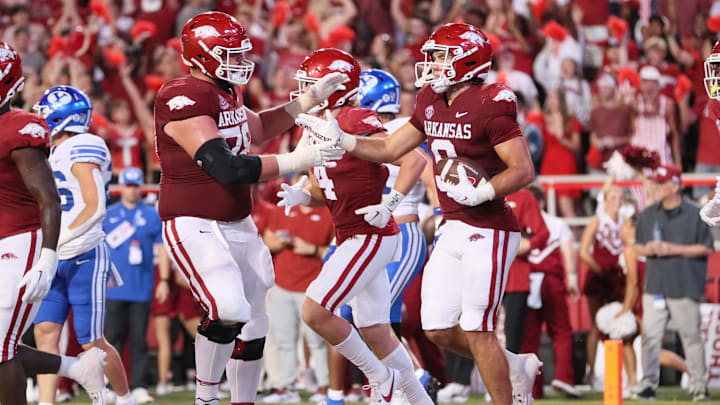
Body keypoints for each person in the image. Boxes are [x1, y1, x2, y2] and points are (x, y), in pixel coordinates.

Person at [297, 23, 542, 405]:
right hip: (450, 225)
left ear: (468, 60)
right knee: (437, 328)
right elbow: (392, 148)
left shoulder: (490, 100)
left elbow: (523, 169)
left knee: (478, 327)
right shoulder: (429, 96)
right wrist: (342, 140)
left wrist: (485, 190)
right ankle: (512, 365)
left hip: (490, 227)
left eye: (441, 56)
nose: (431, 64)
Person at [155, 11, 345, 405]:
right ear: (200, 56)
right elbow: (226, 167)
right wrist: (297, 159)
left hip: (237, 221)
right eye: (229, 54)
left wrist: (306, 101)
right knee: (228, 306)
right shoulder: (183, 95)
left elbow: (256, 129)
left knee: (256, 319)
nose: (240, 62)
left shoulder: (224, 91)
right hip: (195, 221)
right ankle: (206, 398)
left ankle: (244, 400)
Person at [277, 47, 432, 405]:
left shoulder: (355, 118)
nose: (304, 91)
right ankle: (419, 400)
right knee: (375, 329)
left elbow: (413, 160)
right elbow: (325, 187)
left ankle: (381, 378)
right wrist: (305, 196)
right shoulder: (314, 126)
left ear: (335, 87)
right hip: (352, 233)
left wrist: (390, 202)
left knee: (315, 311)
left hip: (369, 235)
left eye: (311, 84)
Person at [321, 68, 438, 405]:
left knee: (372, 317)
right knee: (371, 318)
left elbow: (426, 174)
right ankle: (398, 385)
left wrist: (435, 217)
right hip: (367, 235)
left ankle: (412, 381)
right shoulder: (354, 127)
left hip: (400, 231)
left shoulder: (401, 128)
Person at [0, 42, 105, 405]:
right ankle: (77, 368)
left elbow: (49, 197)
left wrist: (47, 256)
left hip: (20, 242)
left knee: (1, 348)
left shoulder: (18, 127)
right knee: (4, 345)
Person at [31, 85, 134, 405]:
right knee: (45, 334)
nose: (40, 119)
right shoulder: (55, 150)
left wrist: (54, 243)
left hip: (83, 253)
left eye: (45, 113)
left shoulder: (85, 144)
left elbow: (95, 205)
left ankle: (126, 399)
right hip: (55, 255)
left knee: (93, 342)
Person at [633, 165, 713, 402]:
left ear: (675, 185)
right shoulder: (647, 215)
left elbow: (707, 247)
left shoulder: (695, 214)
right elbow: (637, 245)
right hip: (655, 286)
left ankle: (699, 386)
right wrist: (647, 249)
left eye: (661, 183)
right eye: (655, 183)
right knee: (650, 337)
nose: (655, 188)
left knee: (691, 337)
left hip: (684, 286)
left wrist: (673, 249)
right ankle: (647, 384)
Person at [262, 173, 334, 403]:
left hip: (312, 286)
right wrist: (279, 242)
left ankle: (324, 386)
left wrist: (311, 249)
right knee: (283, 339)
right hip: (282, 283)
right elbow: (267, 240)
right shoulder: (281, 210)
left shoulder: (328, 214)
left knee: (316, 340)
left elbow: (334, 253)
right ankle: (286, 387)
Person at [103, 167, 168, 403]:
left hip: (141, 286)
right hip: (113, 287)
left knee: (140, 339)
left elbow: (162, 248)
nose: (132, 190)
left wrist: (164, 280)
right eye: (128, 185)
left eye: (135, 185)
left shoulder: (151, 214)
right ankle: (111, 385)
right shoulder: (108, 214)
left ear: (141, 187)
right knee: (113, 339)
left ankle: (139, 384)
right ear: (121, 187)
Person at [525, 186, 581, 398]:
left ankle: (533, 387)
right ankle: (563, 377)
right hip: (551, 280)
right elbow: (567, 252)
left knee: (529, 337)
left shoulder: (518, 221)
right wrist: (572, 279)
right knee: (561, 331)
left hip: (528, 282)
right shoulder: (557, 224)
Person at [578, 184, 630, 389]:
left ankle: (622, 373)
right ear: (605, 200)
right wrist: (600, 270)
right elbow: (583, 252)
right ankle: (591, 373)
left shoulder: (625, 223)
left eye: (620, 197)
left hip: (617, 278)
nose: (617, 201)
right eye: (613, 197)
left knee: (620, 324)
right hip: (600, 278)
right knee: (596, 325)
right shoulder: (597, 221)